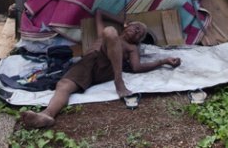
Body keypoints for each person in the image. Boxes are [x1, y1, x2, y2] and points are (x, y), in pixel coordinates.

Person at [21, 8, 182, 128]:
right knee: (63, 85)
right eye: (135, 26)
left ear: (138, 40)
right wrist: (122, 21)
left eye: (140, 32)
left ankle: (119, 82)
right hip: (87, 64)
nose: (137, 30)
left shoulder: (131, 48)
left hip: (108, 68)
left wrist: (164, 61)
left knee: (110, 32)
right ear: (126, 27)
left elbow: (137, 67)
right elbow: (98, 12)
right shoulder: (103, 36)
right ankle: (47, 115)